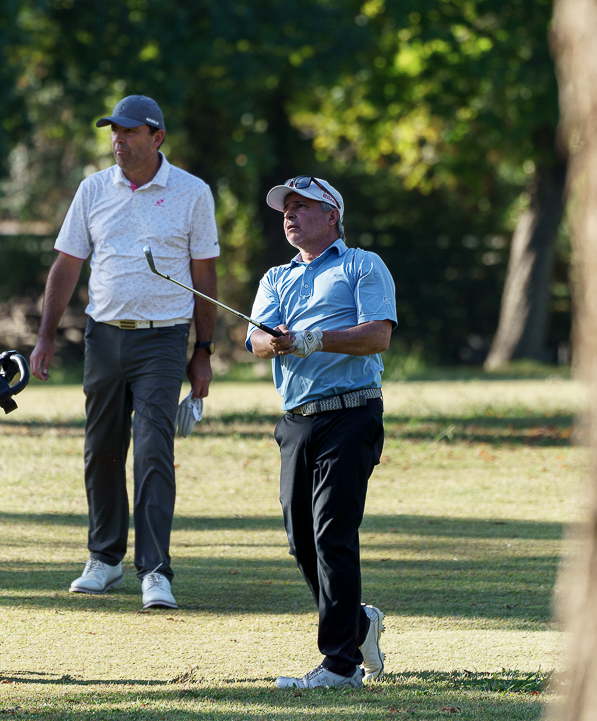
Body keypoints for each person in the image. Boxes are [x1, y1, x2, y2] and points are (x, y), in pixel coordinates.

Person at [30, 95, 219, 610]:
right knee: (102, 449)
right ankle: (105, 559)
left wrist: (203, 350)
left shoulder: (192, 193)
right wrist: (46, 335)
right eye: (114, 131)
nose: (119, 140)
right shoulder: (93, 189)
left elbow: (205, 275)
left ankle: (155, 570)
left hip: (164, 338)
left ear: (157, 137)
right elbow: (67, 264)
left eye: (130, 131)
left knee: (154, 448)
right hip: (104, 337)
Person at [246, 176, 395, 689]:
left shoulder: (362, 265)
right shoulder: (276, 277)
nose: (289, 214)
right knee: (301, 538)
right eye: (286, 208)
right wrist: (276, 342)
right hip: (297, 420)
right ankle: (358, 626)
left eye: (302, 206)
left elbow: (377, 335)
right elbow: (256, 340)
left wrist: (316, 338)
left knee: (332, 532)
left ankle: (340, 664)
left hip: (351, 413)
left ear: (332, 215)